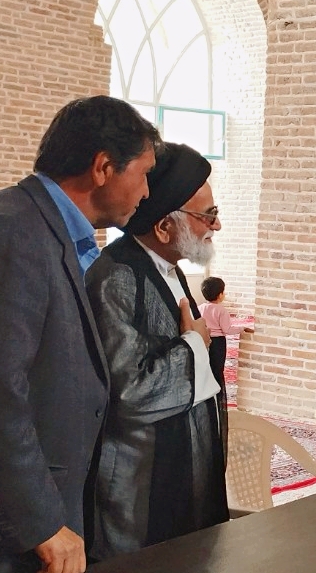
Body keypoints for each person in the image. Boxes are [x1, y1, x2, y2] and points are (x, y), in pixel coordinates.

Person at [0, 96, 159, 573]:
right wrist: (42, 522)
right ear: (104, 168)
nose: (146, 191)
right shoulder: (17, 232)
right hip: (21, 525)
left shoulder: (48, 231)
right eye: (143, 174)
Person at [85, 142, 228, 559]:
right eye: (208, 216)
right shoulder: (118, 277)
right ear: (165, 227)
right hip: (140, 486)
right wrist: (194, 345)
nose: (216, 226)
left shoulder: (168, 268)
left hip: (184, 467)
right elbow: (130, 391)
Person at [199, 276, 252, 459]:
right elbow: (227, 329)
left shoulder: (200, 308)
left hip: (205, 342)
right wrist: (242, 329)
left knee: (207, 369)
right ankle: (218, 399)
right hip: (218, 343)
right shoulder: (221, 310)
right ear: (221, 294)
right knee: (218, 370)